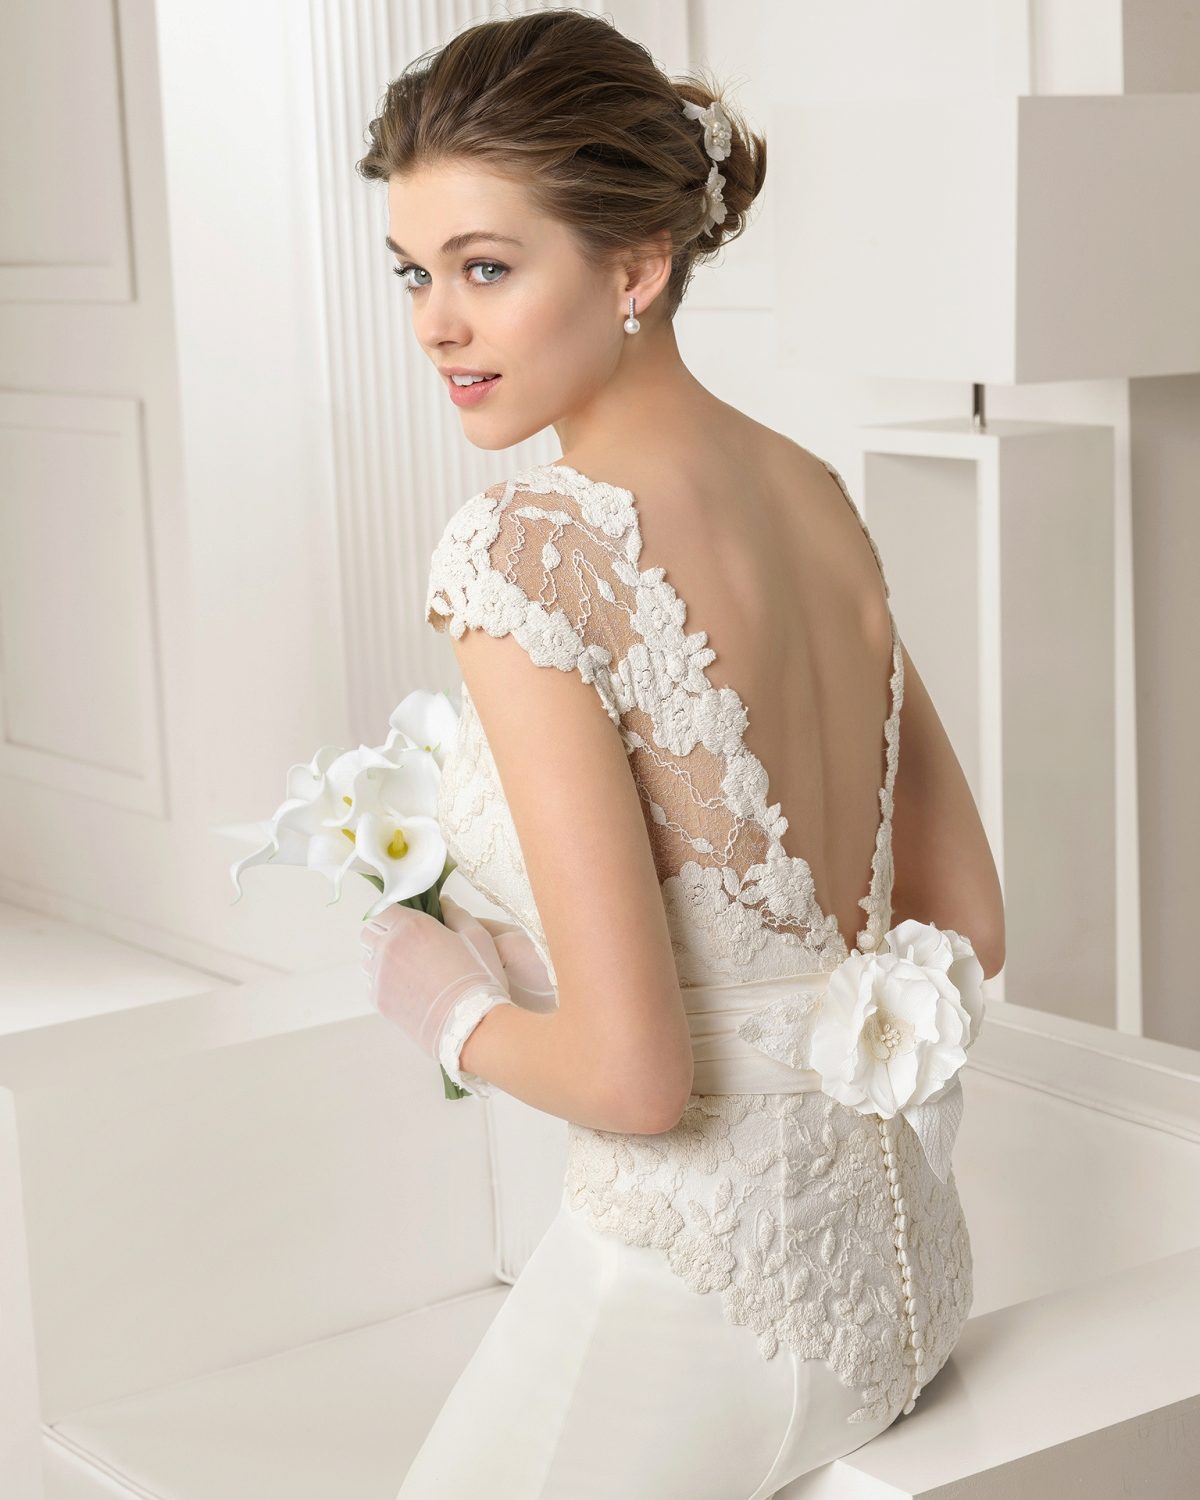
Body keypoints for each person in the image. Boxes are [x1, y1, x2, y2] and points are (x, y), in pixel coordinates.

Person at [355, 10, 1005, 1497]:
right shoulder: (813, 489)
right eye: (414, 272)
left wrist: (448, 1007)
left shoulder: (526, 552)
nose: (436, 325)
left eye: (485, 268)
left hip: (690, 1313)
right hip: (898, 1294)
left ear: (636, 267)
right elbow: (966, 923)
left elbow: (637, 1080)